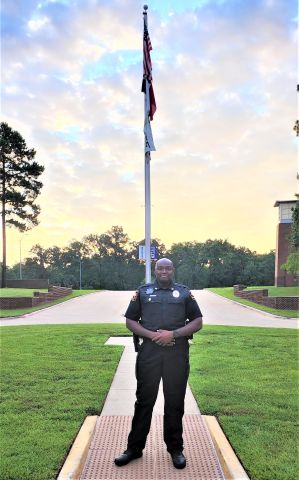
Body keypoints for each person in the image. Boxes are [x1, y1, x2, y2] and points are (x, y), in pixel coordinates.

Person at [114, 257, 203, 469]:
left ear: (173, 270)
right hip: (149, 354)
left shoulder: (184, 292)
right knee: (144, 401)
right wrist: (153, 336)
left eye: (168, 267)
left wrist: (173, 333)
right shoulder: (142, 292)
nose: (164, 271)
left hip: (176, 353)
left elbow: (198, 321)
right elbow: (130, 321)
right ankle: (134, 448)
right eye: (160, 268)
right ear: (155, 270)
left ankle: (175, 448)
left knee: (174, 402)